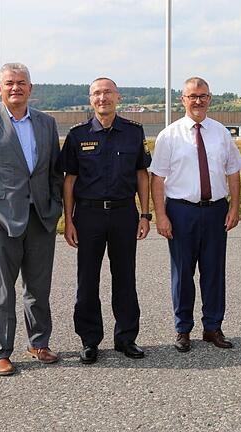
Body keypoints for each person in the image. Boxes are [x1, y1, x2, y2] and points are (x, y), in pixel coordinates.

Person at [0, 63, 63, 376]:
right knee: (1, 290)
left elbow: (54, 171)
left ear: (31, 88)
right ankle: (0, 352)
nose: (16, 88)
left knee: (39, 287)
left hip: (41, 218)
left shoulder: (46, 123)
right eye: (9, 83)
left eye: (21, 83)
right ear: (0, 87)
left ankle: (38, 343)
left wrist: (55, 206)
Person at [56, 77, 151, 364]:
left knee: (125, 278)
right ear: (90, 100)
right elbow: (69, 181)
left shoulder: (133, 132)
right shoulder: (77, 135)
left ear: (118, 97)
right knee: (87, 279)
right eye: (97, 93)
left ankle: (126, 338)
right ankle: (89, 340)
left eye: (108, 92)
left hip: (124, 213)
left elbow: (141, 175)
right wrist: (68, 221)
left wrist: (145, 215)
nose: (103, 98)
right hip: (88, 215)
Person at [150, 77, 241, 352]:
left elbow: (233, 171)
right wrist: (161, 215)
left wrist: (235, 207)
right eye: (192, 96)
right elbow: (157, 178)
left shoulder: (220, 133)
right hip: (180, 212)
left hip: (215, 210)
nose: (198, 101)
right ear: (183, 100)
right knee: (182, 273)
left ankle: (212, 327)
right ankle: (183, 329)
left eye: (202, 96)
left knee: (214, 272)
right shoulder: (170, 135)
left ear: (210, 98)